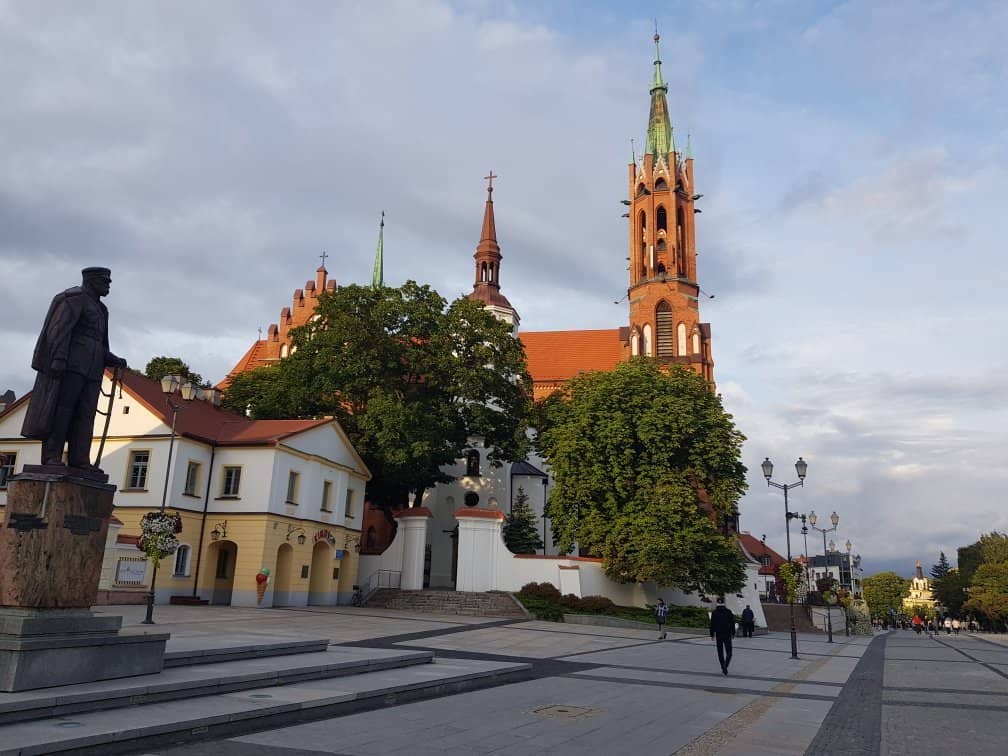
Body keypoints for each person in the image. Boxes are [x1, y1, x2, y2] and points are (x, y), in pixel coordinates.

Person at [21, 267, 127, 469]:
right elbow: (58, 331)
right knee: (61, 411)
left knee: (86, 413)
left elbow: (100, 341)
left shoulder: (102, 310)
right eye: (105, 281)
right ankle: (52, 455)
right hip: (71, 365)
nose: (109, 285)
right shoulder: (73, 299)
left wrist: (112, 358)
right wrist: (59, 358)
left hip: (93, 368)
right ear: (92, 281)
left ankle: (79, 459)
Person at [710, 596, 736, 676]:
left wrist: (712, 634)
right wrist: (733, 633)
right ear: (724, 603)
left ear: (717, 603)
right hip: (727, 634)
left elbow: (712, 624)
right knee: (729, 652)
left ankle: (723, 666)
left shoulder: (714, 613)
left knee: (720, 652)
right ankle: (725, 665)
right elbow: (732, 623)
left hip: (718, 634)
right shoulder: (728, 612)